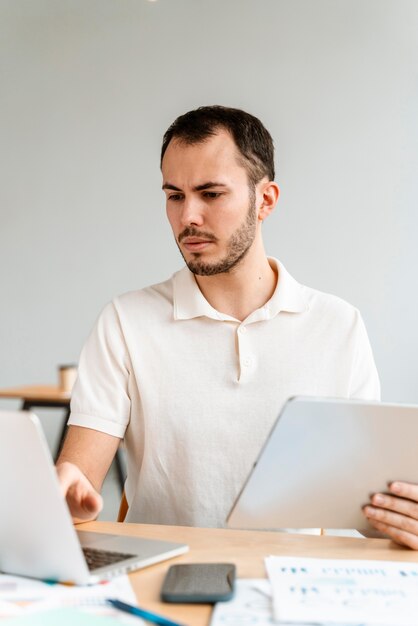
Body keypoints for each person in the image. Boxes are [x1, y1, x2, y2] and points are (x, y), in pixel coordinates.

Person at [57, 105, 418, 549]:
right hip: (161, 575)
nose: (188, 216)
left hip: (287, 581)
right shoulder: (126, 320)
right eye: (174, 195)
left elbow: (367, 505)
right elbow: (78, 480)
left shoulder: (338, 325)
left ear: (265, 199)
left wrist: (402, 516)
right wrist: (61, 496)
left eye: (210, 194)